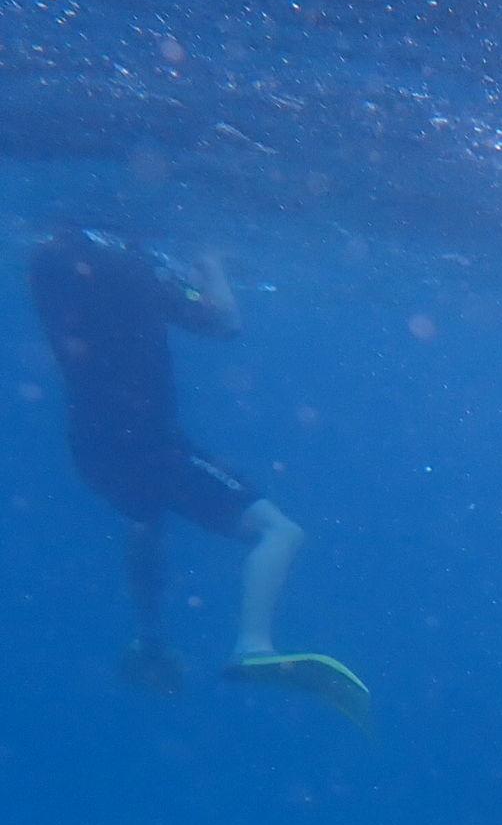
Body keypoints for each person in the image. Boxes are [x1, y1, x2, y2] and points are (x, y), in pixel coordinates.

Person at [28, 224, 368, 723]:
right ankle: (252, 645)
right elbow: (224, 321)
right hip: (151, 446)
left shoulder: (50, 266)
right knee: (280, 531)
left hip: (92, 448)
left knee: (144, 515)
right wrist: (212, 263)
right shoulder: (136, 268)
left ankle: (149, 640)